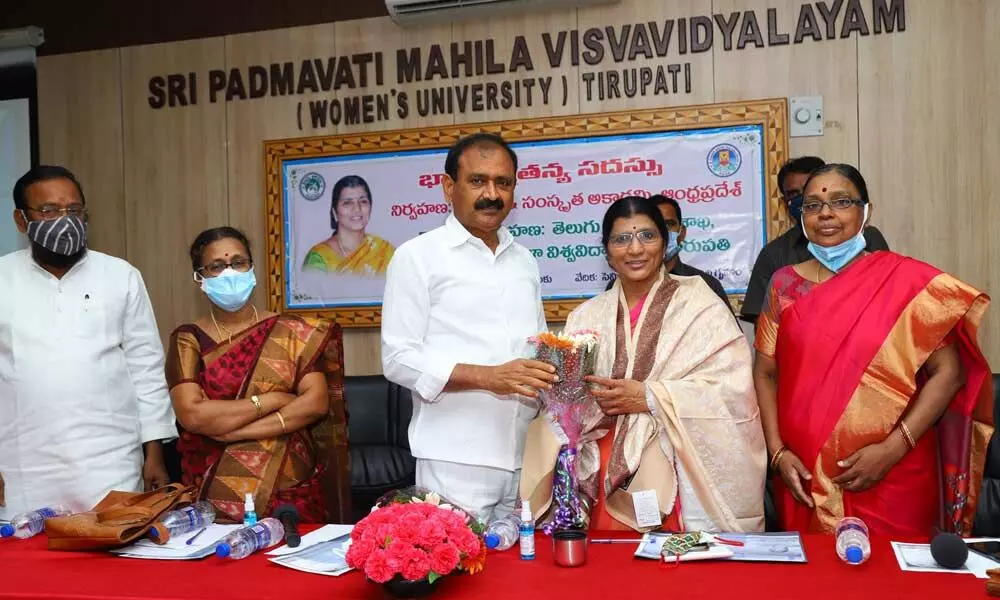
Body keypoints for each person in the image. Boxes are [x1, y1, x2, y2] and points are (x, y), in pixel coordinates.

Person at [752, 164, 993, 537]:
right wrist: (778, 453)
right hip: (803, 473)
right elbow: (765, 372)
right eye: (812, 205)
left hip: (895, 471)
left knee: (897, 584)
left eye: (841, 201)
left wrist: (893, 449)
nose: (826, 214)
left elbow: (951, 373)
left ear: (867, 211)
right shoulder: (783, 285)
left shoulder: (904, 282)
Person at [521, 196, 766, 532]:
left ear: (666, 244)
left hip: (676, 460)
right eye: (621, 239)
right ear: (607, 252)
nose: (635, 249)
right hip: (601, 462)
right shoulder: (587, 315)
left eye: (648, 236)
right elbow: (564, 400)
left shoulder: (701, 305)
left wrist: (651, 397)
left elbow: (733, 392)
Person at [381, 133, 558, 523]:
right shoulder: (417, 257)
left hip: (526, 452)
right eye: (477, 181)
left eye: (503, 183)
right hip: (456, 459)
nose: (492, 194)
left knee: (522, 574)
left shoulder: (524, 260)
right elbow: (397, 359)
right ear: (448, 186)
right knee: (459, 575)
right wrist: (489, 377)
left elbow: (538, 347)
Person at [0, 165, 176, 519]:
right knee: (26, 568)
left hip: (108, 462)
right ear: (21, 220)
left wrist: (153, 450)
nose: (65, 220)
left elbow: (146, 367)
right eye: (49, 211)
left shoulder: (120, 275)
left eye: (74, 210)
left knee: (108, 566)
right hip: (22, 465)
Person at [166, 227, 350, 523]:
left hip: (290, 488)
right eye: (216, 266)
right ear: (199, 277)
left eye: (238, 262)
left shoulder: (291, 333)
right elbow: (193, 415)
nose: (230, 272)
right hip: (217, 490)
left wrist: (233, 432)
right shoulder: (189, 339)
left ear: (252, 268)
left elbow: (315, 403)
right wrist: (274, 399)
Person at [741, 157, 890, 323]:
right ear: (785, 204)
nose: (825, 212)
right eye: (794, 194)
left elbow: (889, 303)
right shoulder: (774, 254)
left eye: (840, 201)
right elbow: (766, 329)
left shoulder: (868, 237)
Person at [605, 194, 730, 310]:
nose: (635, 249)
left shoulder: (705, 285)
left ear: (682, 233)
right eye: (648, 233)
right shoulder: (616, 288)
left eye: (669, 224)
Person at [302, 174, 394, 276]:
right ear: (335, 212)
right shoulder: (318, 258)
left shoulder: (385, 252)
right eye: (347, 203)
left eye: (363, 201)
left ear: (370, 208)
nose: (357, 209)